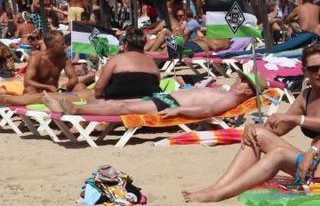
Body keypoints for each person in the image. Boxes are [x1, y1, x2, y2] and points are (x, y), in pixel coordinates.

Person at [182, 44, 320, 203]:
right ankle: (217, 188)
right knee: (256, 134)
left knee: (279, 153)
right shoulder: (306, 95)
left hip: (314, 159)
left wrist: (310, 145)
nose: (319, 72)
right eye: (314, 68)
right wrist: (253, 127)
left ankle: (221, 194)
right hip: (313, 163)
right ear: (305, 72)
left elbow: (293, 120)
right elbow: (279, 127)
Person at [45, 70, 263, 117]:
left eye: (243, 80)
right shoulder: (229, 93)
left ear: (247, 90)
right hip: (168, 99)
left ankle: (74, 109)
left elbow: (207, 109)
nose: (237, 79)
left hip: (170, 104)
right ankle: (68, 108)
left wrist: (179, 111)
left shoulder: (231, 98)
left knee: (123, 107)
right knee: (122, 103)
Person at [92, 27, 160, 101]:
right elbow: (157, 83)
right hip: (146, 104)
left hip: (119, 103)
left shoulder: (117, 59)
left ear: (126, 44)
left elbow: (99, 88)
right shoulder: (151, 62)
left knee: (91, 97)